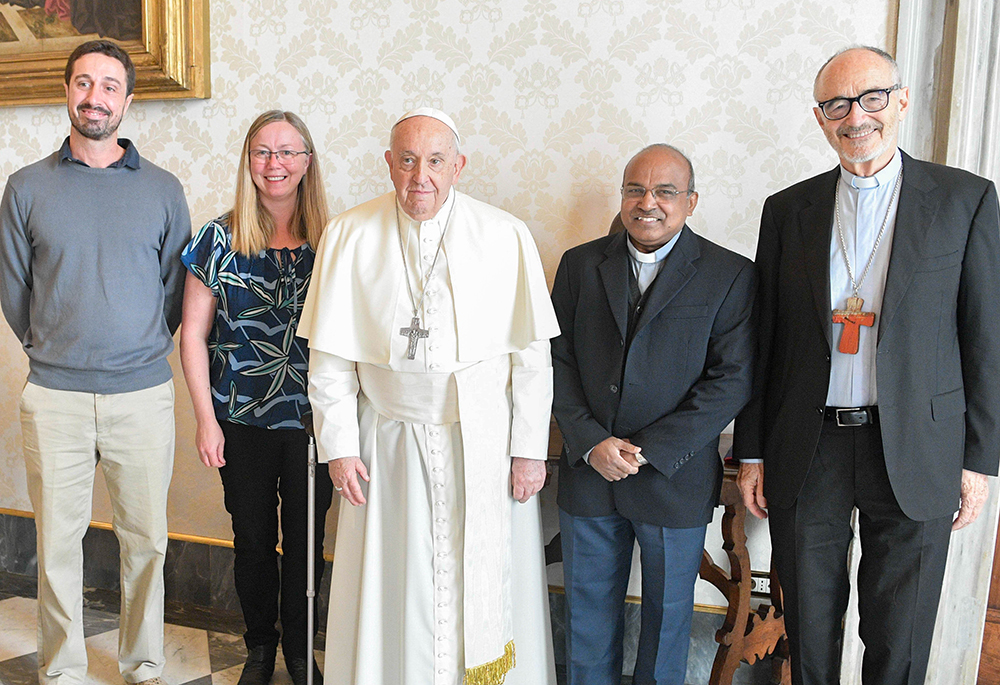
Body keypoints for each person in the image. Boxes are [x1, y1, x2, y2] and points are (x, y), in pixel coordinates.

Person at [733, 45, 1000, 685]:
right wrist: (752, 451)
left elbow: (985, 335)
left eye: (871, 97)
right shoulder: (786, 210)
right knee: (809, 622)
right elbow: (762, 340)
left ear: (900, 101)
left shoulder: (965, 199)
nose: (856, 116)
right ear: (820, 117)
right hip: (809, 442)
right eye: (837, 105)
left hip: (918, 444)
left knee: (899, 630)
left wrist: (979, 459)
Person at [298, 107, 560, 685]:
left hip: (485, 445)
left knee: (484, 581)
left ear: (458, 166)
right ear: (389, 163)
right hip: (386, 442)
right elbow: (330, 361)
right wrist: (339, 447)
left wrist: (529, 450)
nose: (422, 175)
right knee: (397, 579)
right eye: (408, 159)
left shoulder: (505, 234)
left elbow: (532, 360)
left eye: (436, 160)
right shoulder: (349, 233)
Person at [0, 40, 190, 685]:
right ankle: (62, 667)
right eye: (84, 83)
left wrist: (131, 346)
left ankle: (142, 663)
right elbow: (15, 289)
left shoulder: (164, 190)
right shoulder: (25, 187)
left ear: (128, 101)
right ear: (67, 93)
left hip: (142, 394)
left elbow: (174, 292)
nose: (95, 97)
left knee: (146, 542)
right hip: (54, 394)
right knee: (56, 544)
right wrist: (57, 349)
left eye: (110, 86)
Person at [550, 145, 755, 685]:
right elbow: (555, 360)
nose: (648, 202)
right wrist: (592, 441)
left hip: (673, 477)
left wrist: (649, 451)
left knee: (666, 625)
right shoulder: (578, 264)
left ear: (690, 201)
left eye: (665, 191)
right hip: (589, 471)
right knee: (587, 620)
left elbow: (731, 379)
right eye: (635, 189)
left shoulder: (731, 274)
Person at [179, 110, 333, 685]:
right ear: (248, 161)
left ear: (307, 163)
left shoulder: (333, 241)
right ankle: (260, 649)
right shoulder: (216, 239)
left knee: (305, 545)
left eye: (288, 152)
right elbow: (191, 333)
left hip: (312, 423)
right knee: (251, 542)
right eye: (263, 152)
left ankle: (300, 651)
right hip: (237, 419)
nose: (275, 164)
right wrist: (204, 420)